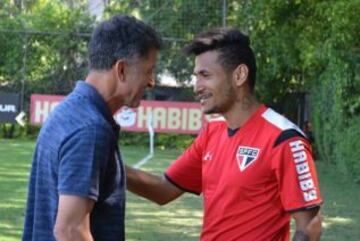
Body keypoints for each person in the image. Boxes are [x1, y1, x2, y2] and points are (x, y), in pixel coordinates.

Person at [126, 28, 323, 241]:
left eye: (205, 75)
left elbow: (310, 226)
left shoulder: (285, 139)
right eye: (196, 77)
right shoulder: (212, 132)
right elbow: (163, 190)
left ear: (239, 75)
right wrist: (108, 163)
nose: (197, 87)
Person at [22, 14, 161, 241]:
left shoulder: (68, 112)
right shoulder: (91, 129)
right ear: (122, 70)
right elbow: (70, 230)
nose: (152, 81)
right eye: (149, 70)